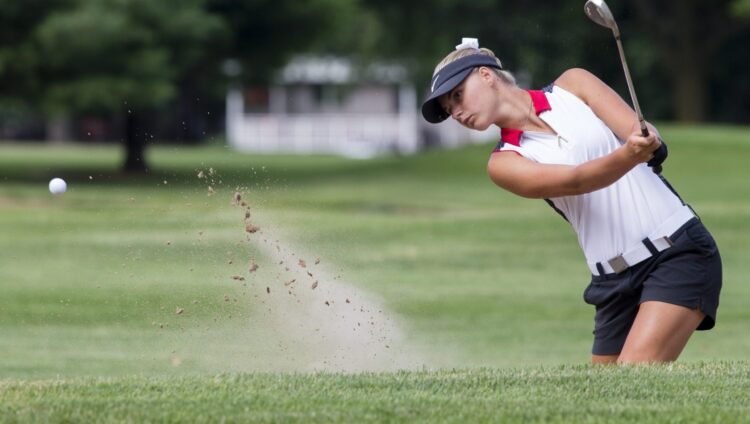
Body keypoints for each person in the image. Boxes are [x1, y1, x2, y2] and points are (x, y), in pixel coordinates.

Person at [421, 38, 722, 364]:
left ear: (486, 75)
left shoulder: (573, 85)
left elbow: (637, 130)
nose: (457, 112)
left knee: (632, 384)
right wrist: (628, 154)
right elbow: (576, 180)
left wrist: (647, 140)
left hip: (675, 252)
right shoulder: (504, 162)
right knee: (602, 405)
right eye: (450, 110)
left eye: (457, 96)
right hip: (612, 282)